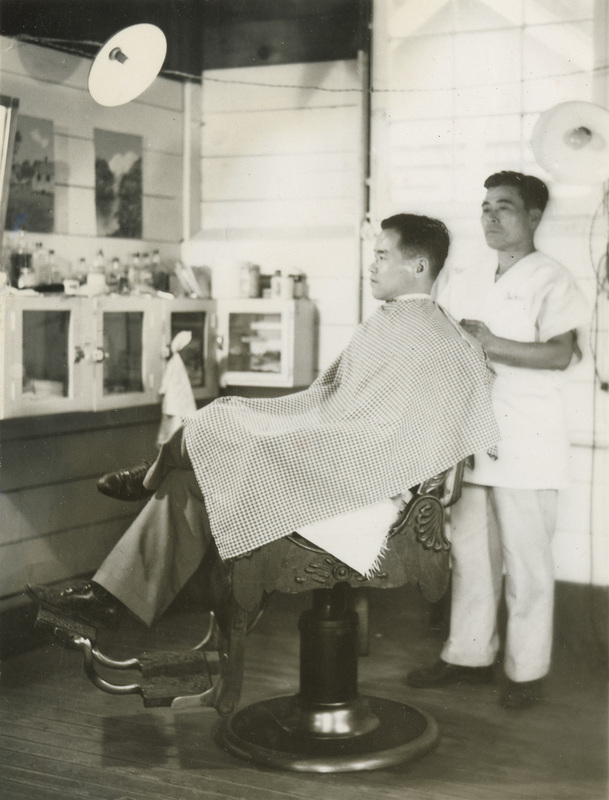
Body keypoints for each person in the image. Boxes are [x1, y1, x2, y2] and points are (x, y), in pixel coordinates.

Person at [28, 213, 499, 634]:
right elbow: (340, 401)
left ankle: (150, 475)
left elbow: (397, 432)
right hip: (347, 459)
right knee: (199, 469)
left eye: (381, 256)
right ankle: (109, 599)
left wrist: (311, 436)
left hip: (365, 483)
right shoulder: (399, 321)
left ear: (418, 266)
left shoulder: (440, 339)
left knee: (223, 424)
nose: (371, 266)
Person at [407, 172, 589, 710]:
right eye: (485, 206)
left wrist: (490, 343)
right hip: (471, 435)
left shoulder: (551, 278)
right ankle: (468, 656)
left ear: (534, 217)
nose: (489, 215)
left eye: (504, 207)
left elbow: (561, 353)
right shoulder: (465, 278)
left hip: (527, 439)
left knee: (526, 563)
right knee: (470, 554)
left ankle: (526, 672)